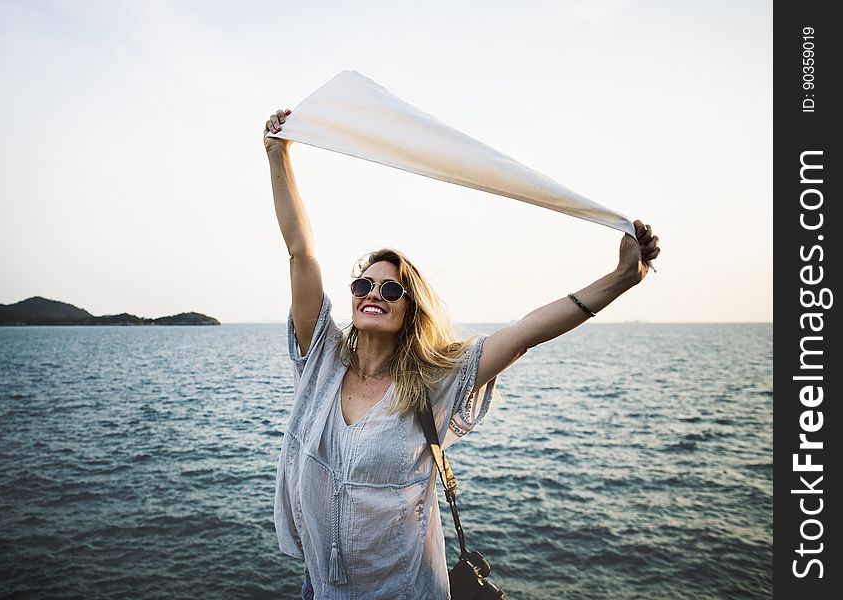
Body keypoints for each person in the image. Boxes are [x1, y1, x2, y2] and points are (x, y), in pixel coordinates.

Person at [264, 108, 660, 600]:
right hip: (321, 590)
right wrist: (278, 154)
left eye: (391, 290)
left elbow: (525, 333)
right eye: (365, 284)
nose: (373, 293)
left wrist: (622, 279)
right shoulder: (319, 360)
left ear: (410, 310)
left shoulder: (436, 382)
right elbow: (301, 251)